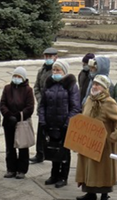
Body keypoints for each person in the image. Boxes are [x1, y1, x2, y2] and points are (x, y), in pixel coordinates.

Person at [39, 60, 80, 188]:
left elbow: (75, 107)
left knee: (64, 152)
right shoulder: (49, 84)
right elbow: (42, 105)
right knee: (53, 149)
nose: (55, 73)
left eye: (58, 70)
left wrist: (67, 122)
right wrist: (43, 121)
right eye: (54, 70)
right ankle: (54, 174)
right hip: (51, 123)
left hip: (64, 125)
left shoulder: (71, 86)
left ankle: (63, 176)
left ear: (64, 72)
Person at [76, 75, 117, 200]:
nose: (94, 86)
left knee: (102, 169)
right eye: (93, 83)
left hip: (104, 144)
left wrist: (114, 136)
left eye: (98, 84)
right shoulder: (89, 100)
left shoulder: (109, 102)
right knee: (88, 168)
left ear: (104, 88)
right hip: (88, 142)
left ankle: (104, 194)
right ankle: (90, 193)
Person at [0, 67, 35, 179]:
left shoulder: (28, 90)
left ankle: (22, 170)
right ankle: (11, 169)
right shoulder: (7, 88)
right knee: (10, 147)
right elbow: (2, 104)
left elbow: (30, 107)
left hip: (21, 122)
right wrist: (8, 115)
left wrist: (18, 116)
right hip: (8, 122)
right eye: (15, 76)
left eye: (19, 77)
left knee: (22, 147)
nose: (16, 78)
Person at [30, 47, 58, 164]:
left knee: (52, 133)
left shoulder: (57, 71)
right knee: (41, 131)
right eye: (46, 56)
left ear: (55, 57)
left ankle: (51, 154)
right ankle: (39, 154)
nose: (47, 59)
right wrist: (40, 99)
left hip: (52, 108)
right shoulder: (41, 70)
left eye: (50, 57)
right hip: (42, 106)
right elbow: (36, 87)